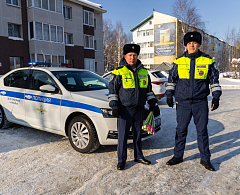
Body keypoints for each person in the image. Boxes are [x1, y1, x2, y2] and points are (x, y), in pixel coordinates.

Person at [165, 31, 222, 171]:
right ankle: (178, 156)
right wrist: (169, 95)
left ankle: (205, 159)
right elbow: (171, 80)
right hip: (183, 103)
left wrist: (216, 96)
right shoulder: (178, 61)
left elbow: (214, 80)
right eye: (189, 43)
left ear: (199, 44)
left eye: (194, 43)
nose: (192, 45)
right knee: (181, 130)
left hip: (200, 102)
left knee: (202, 131)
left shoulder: (207, 61)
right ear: (186, 45)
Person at [108, 43, 160, 170]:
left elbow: (148, 91)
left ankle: (139, 156)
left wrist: (153, 104)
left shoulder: (143, 72)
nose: (132, 58)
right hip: (124, 110)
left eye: (135, 55)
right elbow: (112, 91)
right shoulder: (118, 72)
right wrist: (114, 106)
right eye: (130, 55)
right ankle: (121, 160)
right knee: (122, 137)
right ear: (125, 56)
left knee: (138, 135)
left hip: (139, 109)